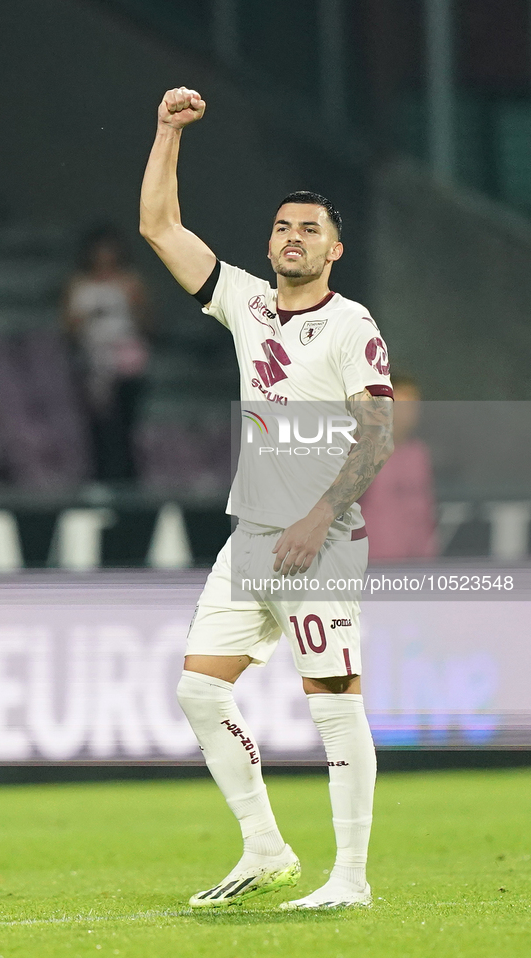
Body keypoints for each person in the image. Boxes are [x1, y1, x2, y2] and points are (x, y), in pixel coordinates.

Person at [140, 88, 394, 910]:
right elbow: (160, 229)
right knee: (199, 690)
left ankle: (349, 878)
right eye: (283, 226)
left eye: (309, 228)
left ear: (335, 250)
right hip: (249, 537)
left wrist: (319, 516)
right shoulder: (246, 304)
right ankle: (265, 849)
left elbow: (377, 435)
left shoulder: (351, 325)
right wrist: (166, 132)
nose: (293, 237)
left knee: (332, 700)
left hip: (317, 542)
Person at [62, 224, 152, 483]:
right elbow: (67, 327)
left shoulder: (130, 282)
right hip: (93, 365)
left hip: (127, 365)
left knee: (125, 426)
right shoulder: (78, 284)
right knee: (99, 426)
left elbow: (147, 322)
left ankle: (128, 478)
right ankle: (101, 477)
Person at [360, 373, 438, 559]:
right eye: (401, 405)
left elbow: (426, 511)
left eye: (413, 405)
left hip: (415, 568)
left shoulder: (419, 454)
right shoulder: (361, 450)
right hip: (372, 567)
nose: (408, 413)